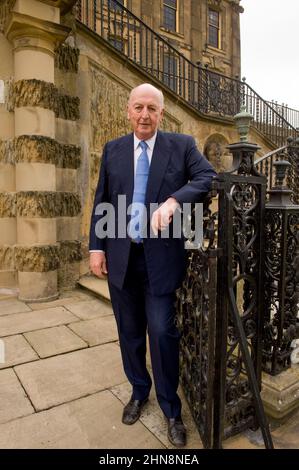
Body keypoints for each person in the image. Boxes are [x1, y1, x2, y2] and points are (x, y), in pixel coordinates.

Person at [89, 83, 216, 447]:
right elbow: (102, 201)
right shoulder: (112, 150)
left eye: (152, 109)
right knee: (129, 333)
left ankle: (171, 409)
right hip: (121, 259)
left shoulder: (182, 146)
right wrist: (96, 248)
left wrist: (175, 201)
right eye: (139, 107)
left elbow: (208, 178)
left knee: (161, 334)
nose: (145, 115)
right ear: (128, 111)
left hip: (160, 261)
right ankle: (138, 391)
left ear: (162, 114)